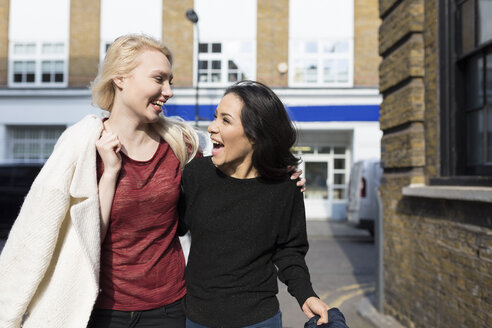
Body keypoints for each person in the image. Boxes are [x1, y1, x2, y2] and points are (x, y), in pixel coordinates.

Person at [0, 35, 304, 328]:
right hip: (99, 308)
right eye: (159, 79)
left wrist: (280, 174)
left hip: (169, 308)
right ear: (120, 78)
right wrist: (110, 173)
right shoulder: (81, 145)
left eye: (169, 80)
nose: (168, 90)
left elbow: (232, 175)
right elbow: (40, 236)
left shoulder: (181, 144)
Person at [180, 80, 331, 328]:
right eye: (215, 117)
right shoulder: (195, 174)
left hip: (259, 320)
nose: (211, 127)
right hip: (196, 318)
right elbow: (168, 226)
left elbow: (289, 250)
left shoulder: (285, 186)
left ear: (255, 135)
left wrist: (306, 294)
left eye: (225, 120)